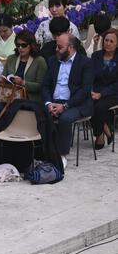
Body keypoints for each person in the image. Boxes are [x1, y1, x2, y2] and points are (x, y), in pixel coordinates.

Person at [41, 33, 94, 169]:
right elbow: (45, 85)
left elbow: (85, 91)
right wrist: (48, 103)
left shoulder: (85, 63)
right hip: (54, 101)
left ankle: (61, 154)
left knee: (65, 118)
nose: (56, 50)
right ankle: (42, 152)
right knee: (36, 113)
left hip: (76, 103)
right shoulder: (53, 61)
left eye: (59, 47)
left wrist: (65, 106)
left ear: (70, 48)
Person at [90, 28, 118, 149]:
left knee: (99, 106)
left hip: (113, 92)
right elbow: (89, 75)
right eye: (106, 40)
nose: (108, 43)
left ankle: (99, 135)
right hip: (95, 90)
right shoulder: (96, 56)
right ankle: (105, 129)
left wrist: (101, 94)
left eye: (112, 41)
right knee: (86, 103)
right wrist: (91, 91)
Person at [2, 29, 47, 102]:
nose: (20, 48)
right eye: (18, 45)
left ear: (31, 45)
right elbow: (3, 77)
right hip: (9, 96)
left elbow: (41, 86)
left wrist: (23, 83)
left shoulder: (39, 61)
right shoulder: (11, 58)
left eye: (24, 45)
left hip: (29, 99)